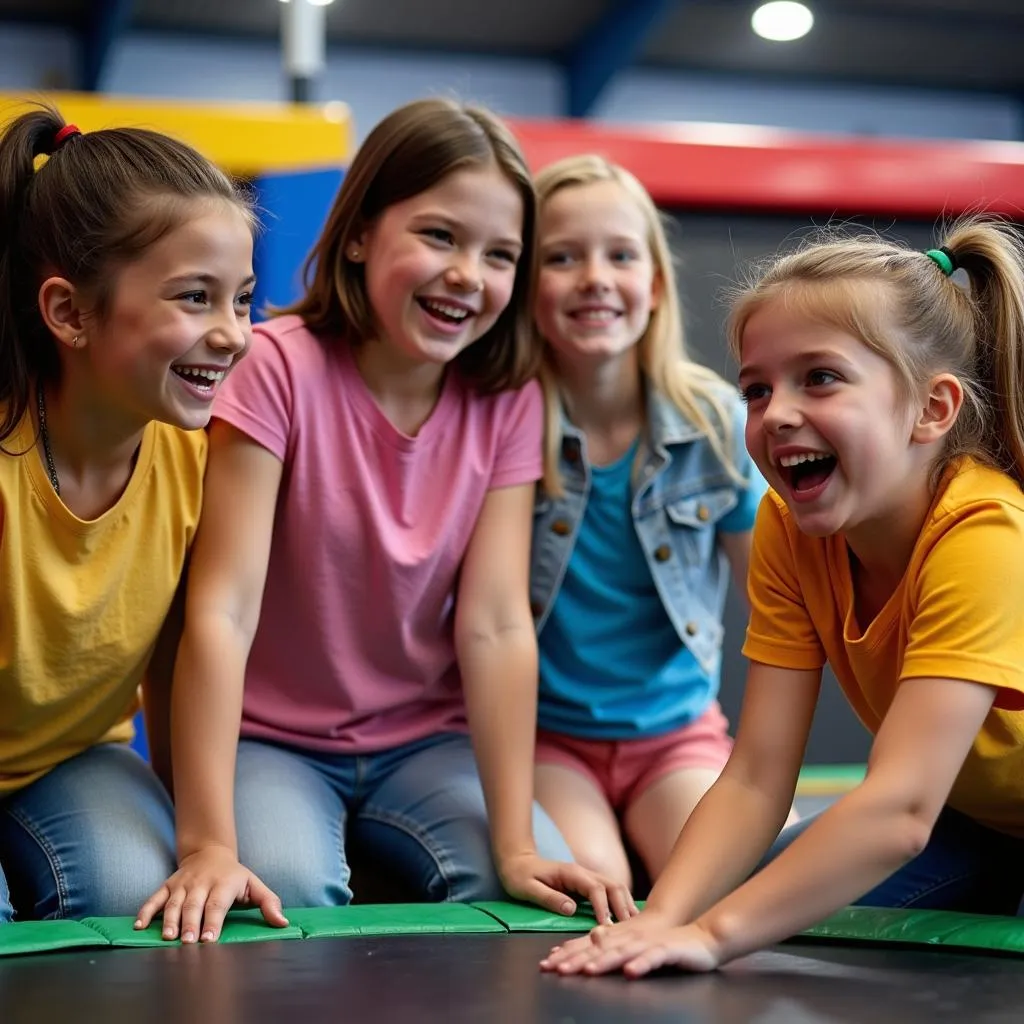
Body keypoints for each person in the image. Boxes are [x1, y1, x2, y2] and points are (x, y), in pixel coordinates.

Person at [136, 98, 634, 946]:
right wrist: (209, 841)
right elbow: (221, 609)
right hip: (273, 741)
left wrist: (515, 840)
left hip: (422, 741)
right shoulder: (273, 371)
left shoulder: (506, 400)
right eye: (439, 236)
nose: (469, 274)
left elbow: (497, 622)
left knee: (529, 897)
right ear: (360, 233)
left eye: (500, 254)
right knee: (281, 892)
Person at [540, 217, 1024, 977]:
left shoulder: (986, 536)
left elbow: (899, 811)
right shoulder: (792, 526)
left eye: (820, 377)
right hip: (978, 821)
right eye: (757, 389)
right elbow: (758, 774)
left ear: (932, 409)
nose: (777, 415)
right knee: (767, 917)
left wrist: (710, 935)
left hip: (942, 814)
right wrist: (667, 918)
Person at [0, 105, 255, 922]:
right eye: (195, 298)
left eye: (242, 301)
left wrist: (208, 845)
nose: (233, 336)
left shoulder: (198, 453)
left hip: (75, 759)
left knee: (130, 899)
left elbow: (179, 650)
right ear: (70, 313)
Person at [528, 155, 771, 890]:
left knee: (717, 883)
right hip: (545, 740)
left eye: (620, 255)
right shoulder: (508, 427)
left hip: (675, 735)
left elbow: (778, 592)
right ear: (523, 288)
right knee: (590, 887)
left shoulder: (715, 424)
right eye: (562, 257)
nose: (595, 276)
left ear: (656, 284)